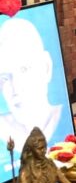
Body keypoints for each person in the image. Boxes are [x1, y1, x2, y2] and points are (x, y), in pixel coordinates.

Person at [0, 17, 70, 153]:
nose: (16, 88)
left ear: (46, 68)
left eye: (24, 70)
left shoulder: (64, 119)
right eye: (5, 78)